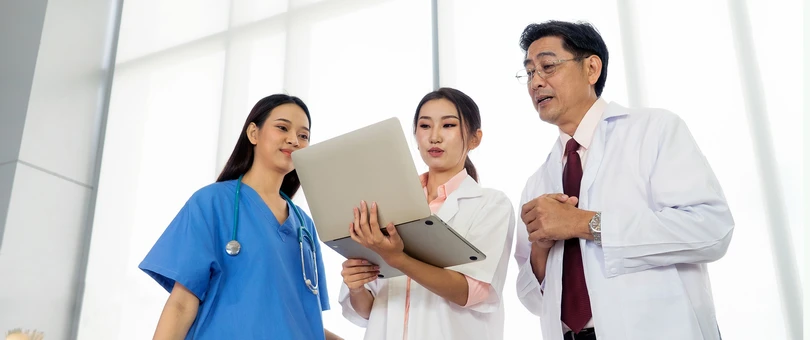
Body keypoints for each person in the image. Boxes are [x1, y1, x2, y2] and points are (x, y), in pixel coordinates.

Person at [512, 20, 734, 340]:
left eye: (547, 66)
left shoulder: (654, 130)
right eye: (530, 72)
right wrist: (541, 251)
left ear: (591, 69)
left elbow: (711, 229)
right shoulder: (537, 182)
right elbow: (534, 300)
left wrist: (585, 224)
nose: (535, 82)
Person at [138, 94, 340, 340]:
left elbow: (302, 321)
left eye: (303, 135)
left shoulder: (304, 226)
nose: (293, 140)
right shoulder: (211, 203)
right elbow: (181, 304)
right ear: (253, 133)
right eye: (282, 128)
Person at [338, 88, 515, 340]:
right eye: (424, 126)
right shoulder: (386, 205)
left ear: (475, 139)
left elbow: (470, 291)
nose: (434, 137)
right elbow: (368, 310)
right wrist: (355, 287)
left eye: (448, 125)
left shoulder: (491, 205)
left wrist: (399, 259)